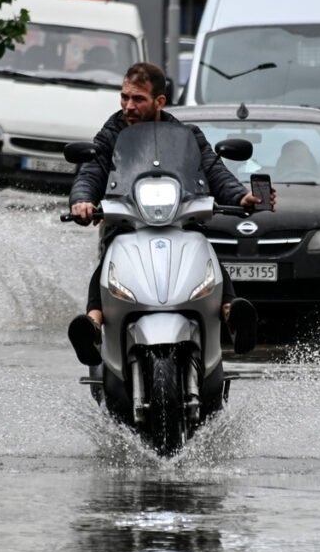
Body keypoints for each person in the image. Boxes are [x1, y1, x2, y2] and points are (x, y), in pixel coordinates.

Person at [67, 62, 275, 366]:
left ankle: (232, 315)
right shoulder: (111, 135)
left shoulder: (185, 135)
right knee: (108, 264)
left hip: (180, 222)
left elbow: (215, 170)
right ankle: (93, 324)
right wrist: (82, 201)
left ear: (159, 102)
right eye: (124, 97)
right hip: (128, 224)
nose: (128, 106)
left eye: (138, 99)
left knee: (207, 256)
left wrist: (242, 196)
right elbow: (91, 171)